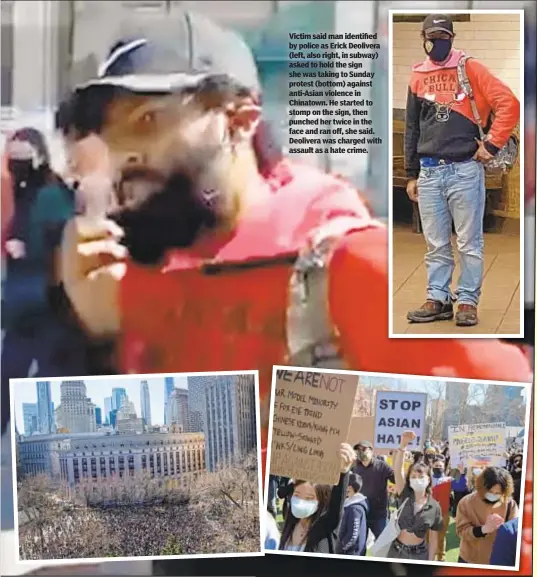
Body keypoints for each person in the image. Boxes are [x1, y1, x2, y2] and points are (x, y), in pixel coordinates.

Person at [47, 8, 531, 575]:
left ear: (240, 120)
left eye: (149, 120)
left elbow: (503, 501)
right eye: (106, 135)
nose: (123, 153)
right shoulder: (143, 285)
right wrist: (90, 323)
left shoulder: (345, 269)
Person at [405, 13, 520, 327]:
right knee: (436, 244)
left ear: (452, 39)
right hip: (429, 173)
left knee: (469, 242)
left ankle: (467, 301)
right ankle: (438, 299)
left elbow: (509, 102)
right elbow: (413, 128)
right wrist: (412, 173)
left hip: (465, 171)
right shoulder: (417, 75)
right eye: (431, 37)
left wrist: (492, 145)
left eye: (442, 38)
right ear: (423, 38)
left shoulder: (470, 68)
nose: (436, 44)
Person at [1, 127, 87, 436]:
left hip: (43, 298)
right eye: (13, 157)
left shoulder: (50, 192)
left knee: (36, 372)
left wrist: (28, 248)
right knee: (18, 371)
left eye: (23, 157)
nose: (15, 164)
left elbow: (58, 240)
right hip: (26, 298)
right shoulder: (26, 192)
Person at [278, 443, 354, 553]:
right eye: (297, 495)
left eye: (309, 498)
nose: (301, 502)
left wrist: (344, 471)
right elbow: (282, 492)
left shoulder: (325, 526)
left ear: (321, 501)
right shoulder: (290, 521)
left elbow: (337, 506)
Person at [390, 431, 443, 561]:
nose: (417, 479)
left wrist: (430, 563)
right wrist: (403, 445)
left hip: (419, 554)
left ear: (429, 479)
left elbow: (434, 538)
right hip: (396, 552)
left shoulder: (434, 507)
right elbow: (398, 470)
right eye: (413, 477)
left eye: (421, 476)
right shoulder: (405, 494)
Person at [456, 466, 518, 565]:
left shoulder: (510, 504)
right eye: (490, 492)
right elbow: (461, 531)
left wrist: (503, 529)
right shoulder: (466, 502)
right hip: (470, 558)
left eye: (498, 493)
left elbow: (515, 532)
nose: (493, 495)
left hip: (497, 559)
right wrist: (483, 530)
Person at [351, 440, 395, 538]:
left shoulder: (382, 466)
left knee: (382, 544)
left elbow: (396, 479)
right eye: (358, 450)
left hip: (379, 514)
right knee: (359, 546)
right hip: (361, 512)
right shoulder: (354, 466)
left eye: (363, 449)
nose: (361, 452)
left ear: (371, 450)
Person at [337, 472, 369, 556]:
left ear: (350, 488)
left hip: (351, 553)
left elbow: (352, 536)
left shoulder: (355, 509)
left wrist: (339, 548)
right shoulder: (350, 503)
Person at [430, 455, 453, 562]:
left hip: (443, 512)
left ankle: (441, 558)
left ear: (444, 467)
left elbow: (462, 484)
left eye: (440, 466)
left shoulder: (449, 480)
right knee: (427, 536)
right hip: (428, 512)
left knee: (441, 536)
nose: (438, 467)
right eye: (436, 465)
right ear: (432, 466)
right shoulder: (427, 479)